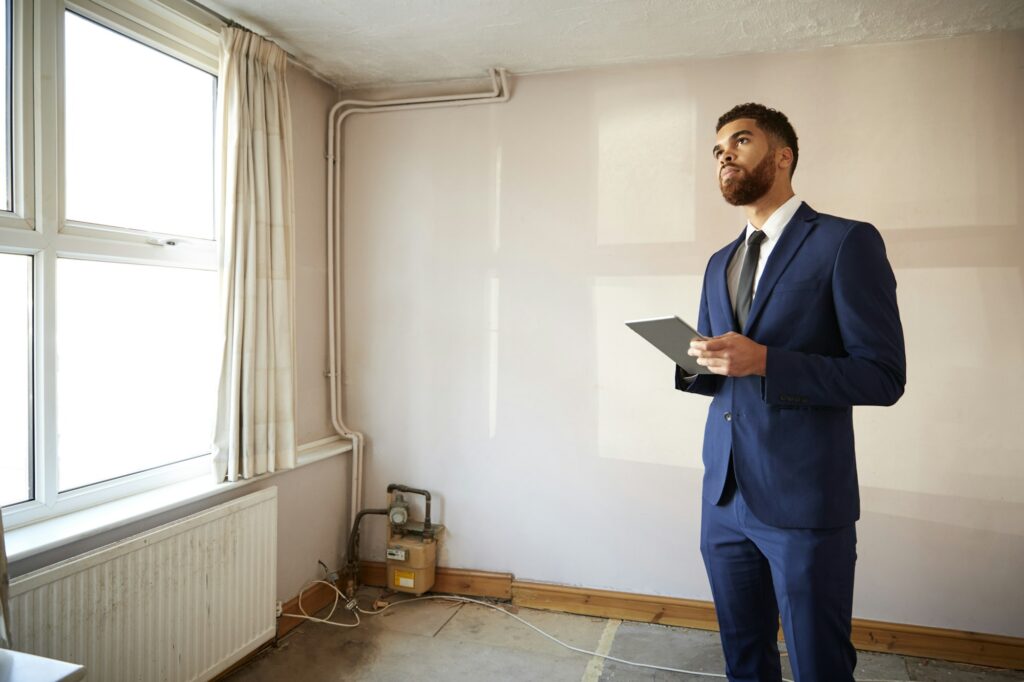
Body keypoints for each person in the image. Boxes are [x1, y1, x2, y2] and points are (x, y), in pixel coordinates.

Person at [679, 103, 906, 682]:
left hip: (805, 501)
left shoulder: (844, 242)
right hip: (724, 498)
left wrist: (768, 362)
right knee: (745, 660)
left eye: (741, 141)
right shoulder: (718, 262)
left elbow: (882, 376)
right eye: (717, 150)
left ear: (783, 156)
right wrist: (693, 362)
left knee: (818, 665)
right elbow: (722, 376)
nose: (724, 155)